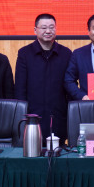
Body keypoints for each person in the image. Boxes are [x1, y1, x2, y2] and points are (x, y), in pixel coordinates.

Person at [14, 14, 72, 143]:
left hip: (59, 116)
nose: (48, 31)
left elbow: (70, 86)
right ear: (35, 30)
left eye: (51, 27)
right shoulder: (25, 53)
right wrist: (22, 116)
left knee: (59, 150)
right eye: (44, 27)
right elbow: (20, 88)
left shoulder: (66, 53)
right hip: (32, 117)